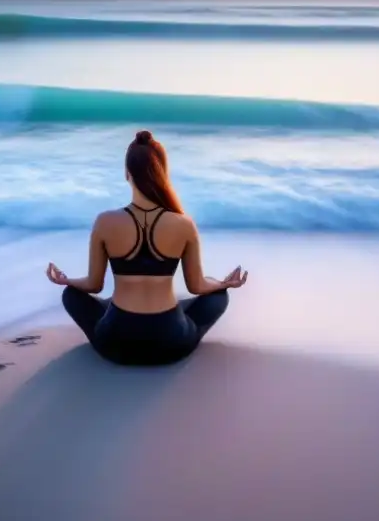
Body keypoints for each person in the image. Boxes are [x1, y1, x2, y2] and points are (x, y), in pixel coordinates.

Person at [46, 130, 248, 366]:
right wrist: (224, 284)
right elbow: (197, 286)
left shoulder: (105, 221)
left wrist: (66, 280)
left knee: (71, 294)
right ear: (163, 173)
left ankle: (112, 307)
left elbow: (93, 284)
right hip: (171, 342)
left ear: (126, 174)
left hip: (115, 342)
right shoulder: (184, 224)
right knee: (217, 296)